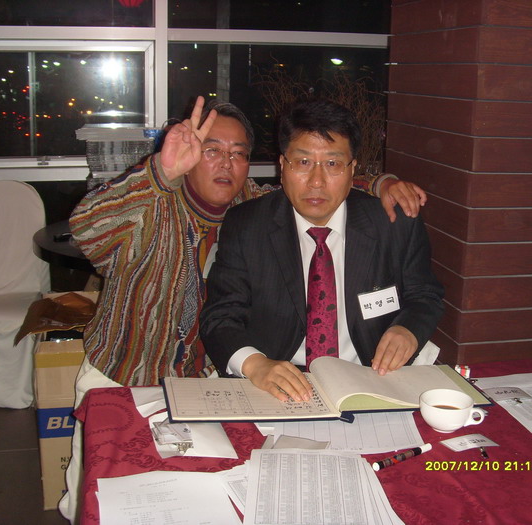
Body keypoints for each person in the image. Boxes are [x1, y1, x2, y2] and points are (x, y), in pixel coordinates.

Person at [59, 96, 426, 522]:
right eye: (211, 150)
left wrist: (383, 183)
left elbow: (319, 179)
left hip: (207, 383)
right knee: (103, 497)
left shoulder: (249, 204)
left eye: (238, 154)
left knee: (196, 502)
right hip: (127, 372)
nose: (226, 164)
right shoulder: (148, 204)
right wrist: (160, 171)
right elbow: (86, 229)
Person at [200, 98, 444, 403]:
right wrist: (255, 364)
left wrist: (408, 330)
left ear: (353, 169)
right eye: (303, 162)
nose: (316, 181)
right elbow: (221, 317)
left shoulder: (393, 223)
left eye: (332, 164)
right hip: (279, 382)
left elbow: (425, 295)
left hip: (372, 375)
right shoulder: (247, 225)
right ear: (282, 165)